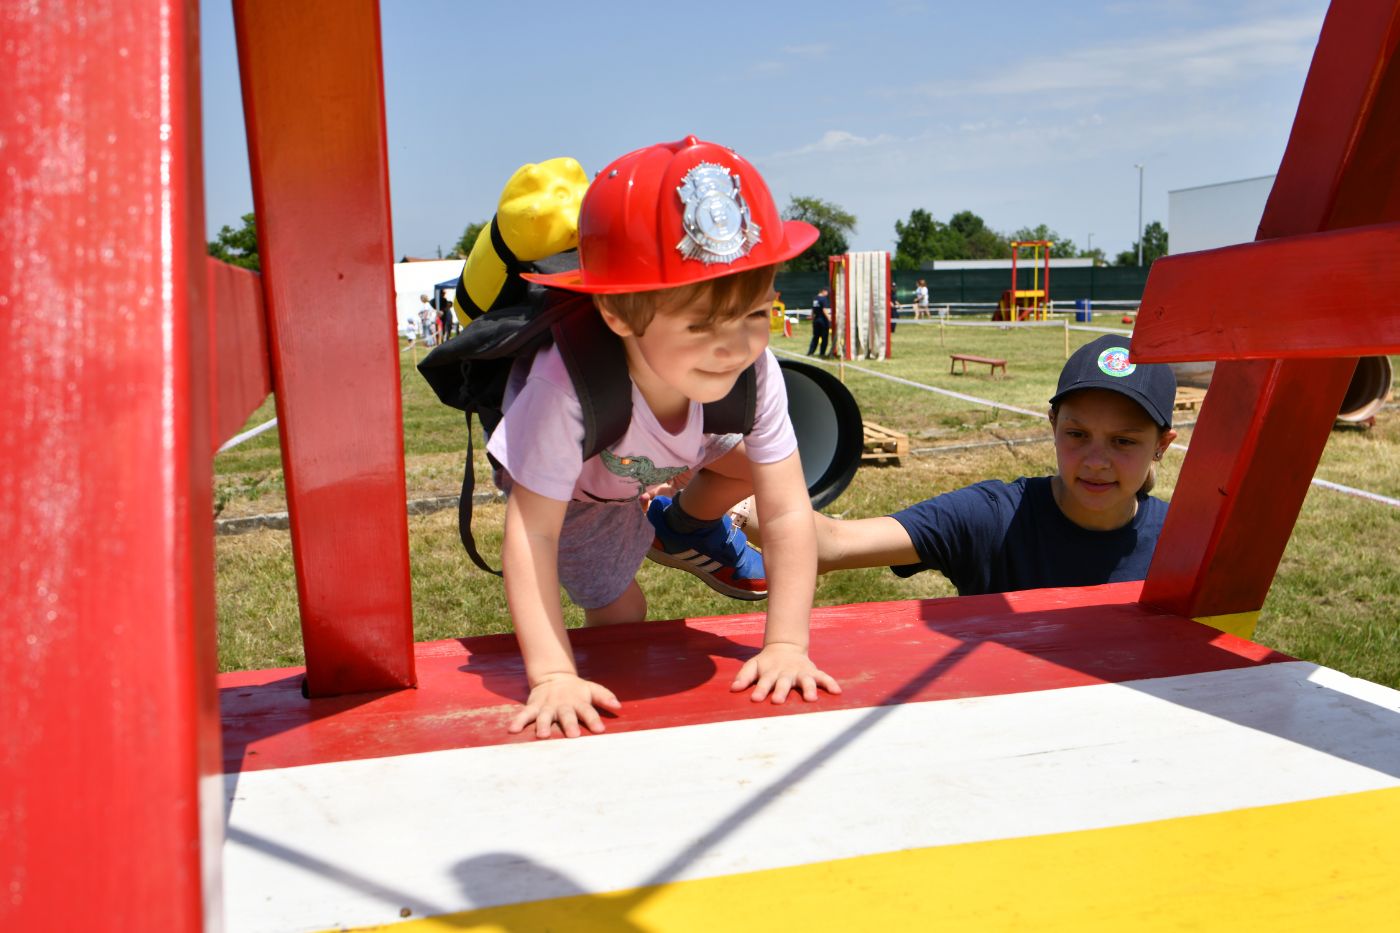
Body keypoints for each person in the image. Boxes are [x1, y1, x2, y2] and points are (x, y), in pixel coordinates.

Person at [488, 137, 840, 739]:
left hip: (674, 440)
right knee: (626, 616)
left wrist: (786, 642)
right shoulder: (565, 388)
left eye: (755, 313)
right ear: (618, 314)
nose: (734, 346)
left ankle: (683, 527)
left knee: (762, 470)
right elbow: (532, 531)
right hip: (580, 493)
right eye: (701, 322)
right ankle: (638, 547)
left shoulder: (750, 373)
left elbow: (784, 512)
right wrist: (551, 675)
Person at [746, 335, 1178, 595]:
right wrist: (721, 503)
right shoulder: (992, 517)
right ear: (1053, 425)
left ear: (1162, 445)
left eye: (1123, 441)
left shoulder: (1185, 541)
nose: (1096, 461)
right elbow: (832, 543)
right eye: (1077, 434)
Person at [808, 286, 830, 356]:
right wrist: (830, 319)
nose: (827, 294)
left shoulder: (815, 298)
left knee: (815, 337)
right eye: (827, 292)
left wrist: (812, 318)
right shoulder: (823, 299)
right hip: (823, 321)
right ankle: (822, 353)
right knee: (824, 338)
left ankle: (810, 352)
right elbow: (824, 310)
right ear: (824, 291)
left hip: (816, 320)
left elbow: (813, 310)